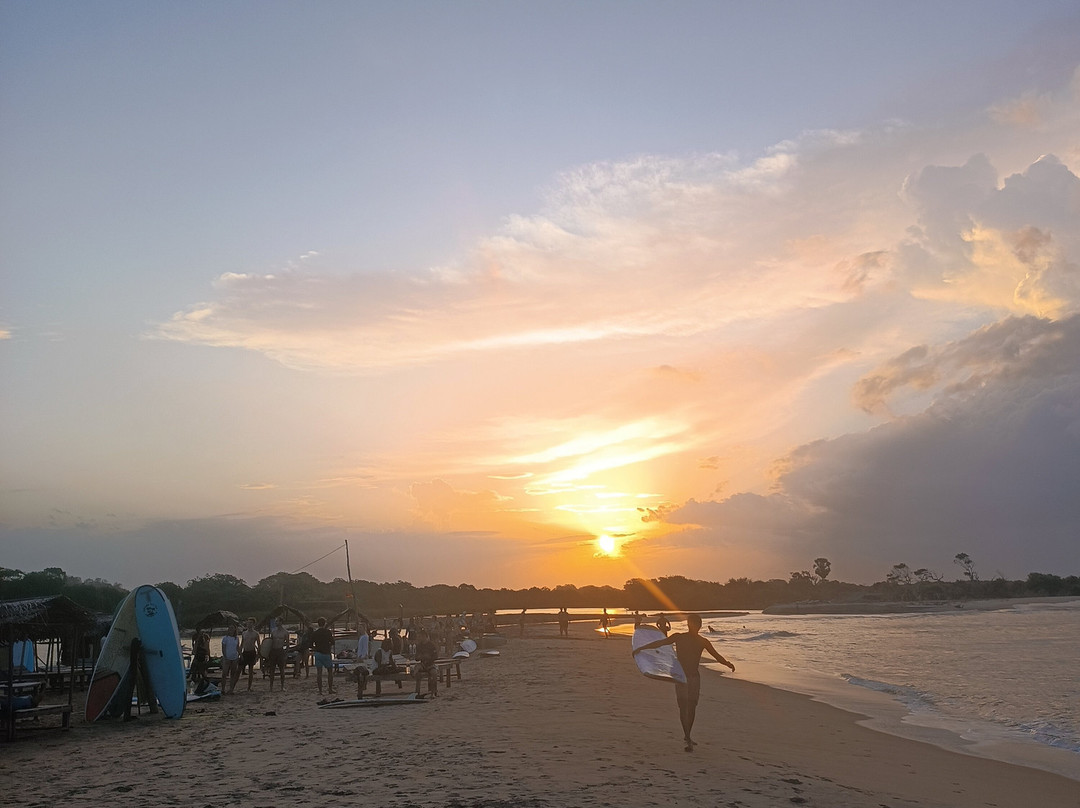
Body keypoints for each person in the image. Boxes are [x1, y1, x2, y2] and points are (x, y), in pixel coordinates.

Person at [632, 613, 735, 752]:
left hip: (694, 678)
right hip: (681, 677)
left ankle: (688, 735)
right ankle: (687, 737)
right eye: (693, 624)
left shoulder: (703, 641)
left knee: (692, 707)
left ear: (700, 626)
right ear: (688, 624)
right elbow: (660, 643)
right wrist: (641, 648)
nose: (695, 627)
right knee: (683, 707)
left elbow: (716, 656)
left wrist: (728, 664)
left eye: (698, 624)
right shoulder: (679, 637)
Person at [310, 617, 336, 696]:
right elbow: (333, 642)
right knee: (330, 672)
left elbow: (310, 644)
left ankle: (320, 691)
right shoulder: (327, 632)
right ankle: (330, 689)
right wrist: (328, 646)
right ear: (324, 623)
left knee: (319, 673)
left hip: (318, 653)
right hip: (326, 653)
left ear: (318, 624)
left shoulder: (315, 633)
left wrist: (315, 648)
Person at [415, 629, 438, 696]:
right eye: (419, 636)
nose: (419, 638)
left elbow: (435, 656)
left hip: (430, 664)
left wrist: (428, 657)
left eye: (420, 636)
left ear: (425, 636)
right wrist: (420, 657)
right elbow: (416, 658)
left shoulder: (431, 645)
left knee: (434, 673)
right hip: (422, 664)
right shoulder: (419, 646)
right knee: (416, 670)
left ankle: (433, 691)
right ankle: (417, 692)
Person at [239, 618, 261, 691]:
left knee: (250, 670)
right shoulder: (244, 633)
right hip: (245, 652)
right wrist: (240, 653)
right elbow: (242, 644)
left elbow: (259, 645)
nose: (249, 624)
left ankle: (249, 687)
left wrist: (257, 656)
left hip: (252, 652)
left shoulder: (256, 633)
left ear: (253, 624)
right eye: (248, 623)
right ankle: (233, 686)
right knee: (239, 669)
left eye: (251, 623)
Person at [267, 622, 289, 691]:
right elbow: (270, 642)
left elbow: (287, 643)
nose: (276, 623)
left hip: (280, 651)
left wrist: (285, 652)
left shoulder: (285, 632)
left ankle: (282, 686)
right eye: (276, 621)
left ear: (281, 622)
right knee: (272, 670)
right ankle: (271, 687)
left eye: (278, 621)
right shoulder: (273, 631)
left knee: (282, 669)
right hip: (273, 651)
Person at [220, 624, 241, 694]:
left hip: (234, 657)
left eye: (232, 628)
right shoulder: (225, 638)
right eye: (230, 628)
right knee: (224, 674)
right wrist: (225, 657)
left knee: (233, 674)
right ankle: (223, 689)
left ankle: (231, 689)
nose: (231, 630)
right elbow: (223, 648)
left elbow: (237, 647)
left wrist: (240, 655)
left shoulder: (236, 638)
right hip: (227, 657)